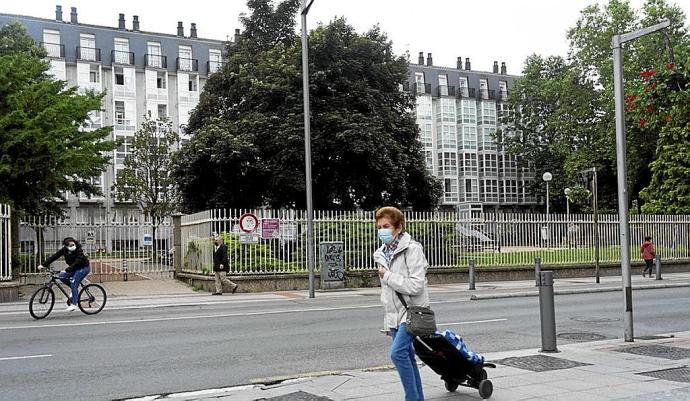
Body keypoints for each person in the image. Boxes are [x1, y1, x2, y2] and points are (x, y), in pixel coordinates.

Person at [373, 206, 429, 401]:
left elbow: (416, 286)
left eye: (386, 226)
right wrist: (388, 321)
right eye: (379, 227)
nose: (382, 231)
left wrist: (387, 275)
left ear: (398, 227)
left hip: (412, 313)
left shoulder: (412, 249)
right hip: (394, 316)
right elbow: (387, 294)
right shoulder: (381, 254)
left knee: (397, 354)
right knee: (407, 355)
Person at [38, 237, 91, 311]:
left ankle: (74, 305)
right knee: (61, 277)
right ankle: (75, 289)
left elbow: (77, 261)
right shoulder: (64, 250)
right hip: (74, 268)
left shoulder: (79, 250)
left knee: (73, 284)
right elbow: (54, 257)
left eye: (73, 244)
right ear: (66, 246)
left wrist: (68, 269)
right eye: (70, 245)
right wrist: (43, 265)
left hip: (83, 268)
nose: (73, 246)